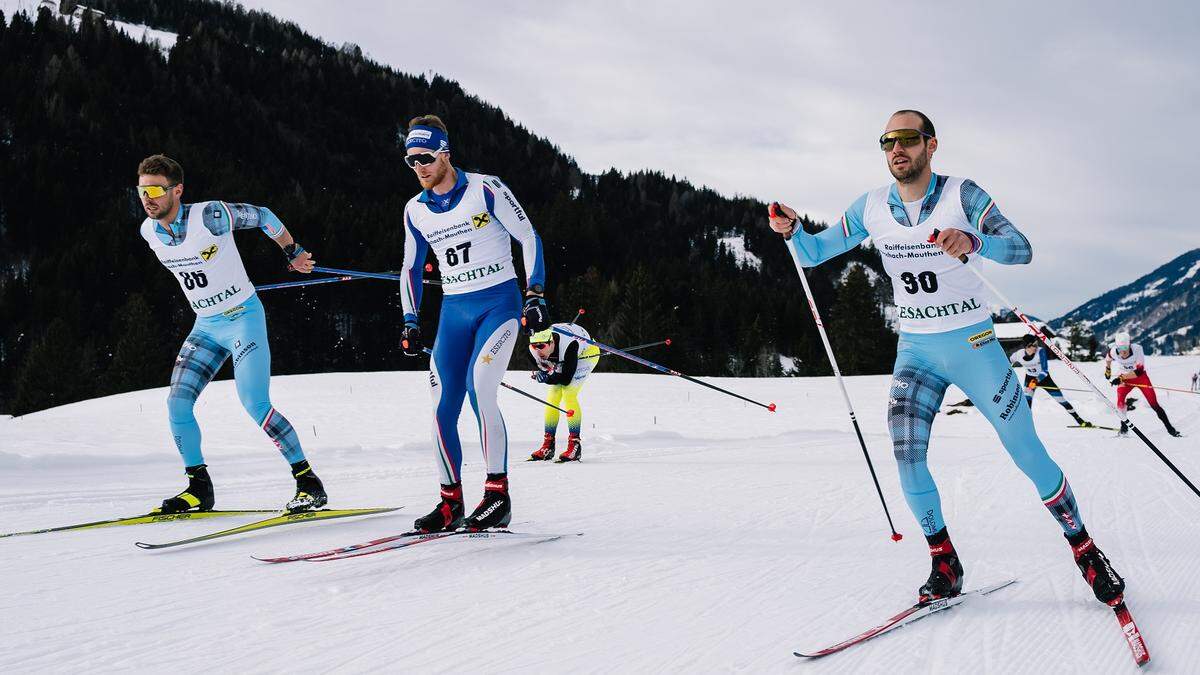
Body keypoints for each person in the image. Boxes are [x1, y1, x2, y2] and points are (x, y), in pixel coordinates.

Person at [768, 110, 1125, 607]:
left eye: (909, 139)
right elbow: (812, 253)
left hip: (975, 346)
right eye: (888, 141)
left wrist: (974, 239)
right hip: (916, 350)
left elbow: (1021, 249)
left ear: (931, 145)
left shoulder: (963, 196)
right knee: (907, 456)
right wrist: (792, 231)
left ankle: (1085, 550)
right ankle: (944, 562)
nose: (898, 149)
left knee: (1027, 453)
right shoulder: (871, 207)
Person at [136, 154, 327, 514]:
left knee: (254, 403)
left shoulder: (211, 216)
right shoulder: (149, 231)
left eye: (157, 190)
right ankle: (198, 489)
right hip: (206, 325)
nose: (148, 198)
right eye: (142, 191)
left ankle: (308, 482)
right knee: (177, 404)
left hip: (243, 318)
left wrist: (293, 250)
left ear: (178, 190)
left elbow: (264, 215)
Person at [398, 115, 550, 532]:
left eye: (426, 157)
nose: (420, 168)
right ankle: (450, 503)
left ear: (445, 153)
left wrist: (535, 293)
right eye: (411, 161)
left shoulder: (486, 188)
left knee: (479, 387)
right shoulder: (416, 210)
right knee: (442, 404)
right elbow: (410, 268)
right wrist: (410, 319)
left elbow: (529, 237)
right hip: (454, 312)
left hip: (498, 306)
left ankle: (497, 497)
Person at [527, 323, 601, 462]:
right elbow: (546, 370)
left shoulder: (569, 345)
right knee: (553, 396)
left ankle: (575, 446)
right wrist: (543, 374)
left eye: (541, 346)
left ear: (551, 342)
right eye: (534, 346)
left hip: (587, 353)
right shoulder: (533, 350)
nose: (537, 350)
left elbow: (565, 379)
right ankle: (548, 445)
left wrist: (547, 378)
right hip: (564, 359)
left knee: (568, 393)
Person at [1105, 332, 1181, 437]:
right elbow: (1108, 358)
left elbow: (1139, 371)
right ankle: (1124, 428)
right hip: (1125, 380)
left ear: (1129, 344)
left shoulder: (1137, 349)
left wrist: (1121, 378)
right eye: (1120, 348)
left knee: (1154, 404)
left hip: (1140, 378)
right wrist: (1108, 370)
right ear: (1116, 346)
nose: (1123, 350)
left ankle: (1170, 429)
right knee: (1120, 400)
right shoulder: (1113, 351)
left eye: (1125, 347)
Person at [1010, 334, 1092, 426]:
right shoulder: (1018, 354)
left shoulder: (1040, 352)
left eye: (1037, 344)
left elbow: (1044, 371)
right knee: (1027, 401)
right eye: (1034, 345)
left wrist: (1036, 381)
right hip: (1029, 379)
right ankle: (1025, 425)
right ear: (1028, 346)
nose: (1037, 347)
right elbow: (1009, 361)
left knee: (1061, 400)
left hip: (1044, 379)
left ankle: (1080, 421)